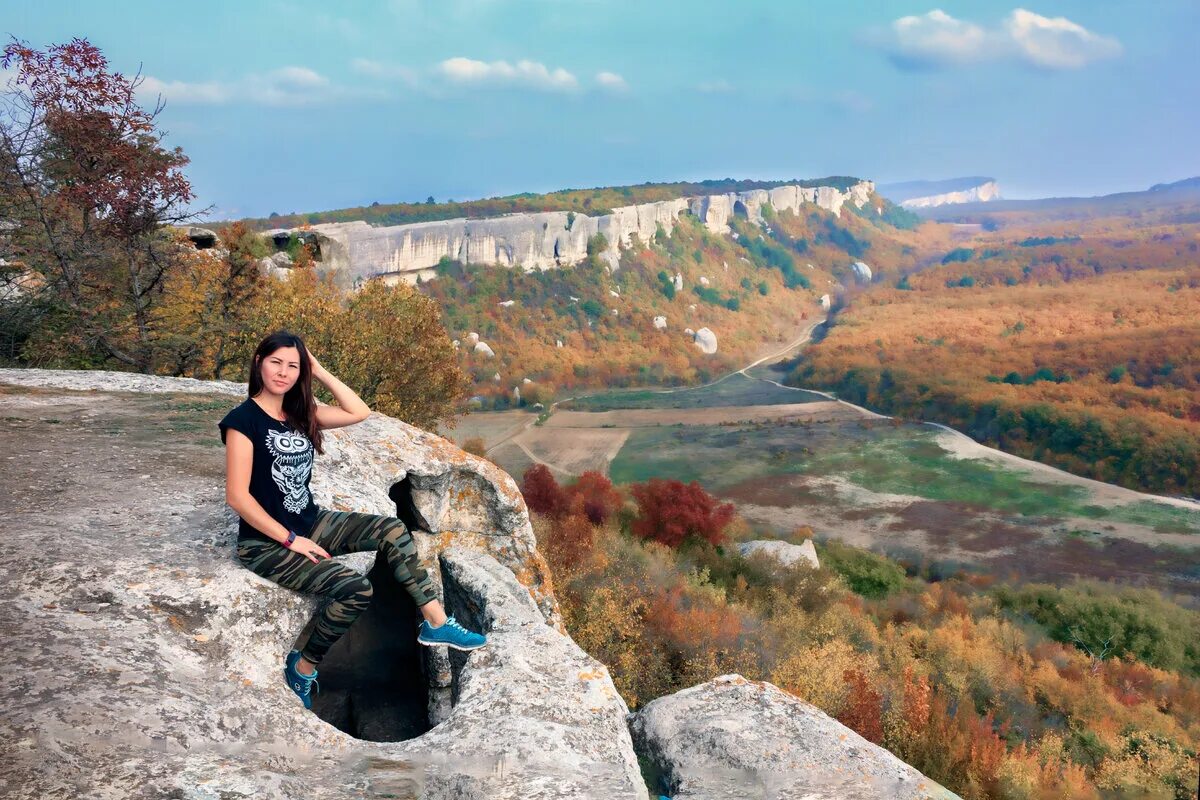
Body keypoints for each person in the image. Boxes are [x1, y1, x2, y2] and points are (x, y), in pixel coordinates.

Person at [218, 330, 486, 710]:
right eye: (275, 362)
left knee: (392, 530)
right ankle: (304, 666)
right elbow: (237, 497)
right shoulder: (242, 422)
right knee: (356, 589)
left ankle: (435, 621)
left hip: (309, 520)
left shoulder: (299, 413)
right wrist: (291, 541)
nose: (282, 372)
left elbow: (358, 412)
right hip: (265, 544)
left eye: (293, 366)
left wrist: (320, 371)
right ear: (259, 362)